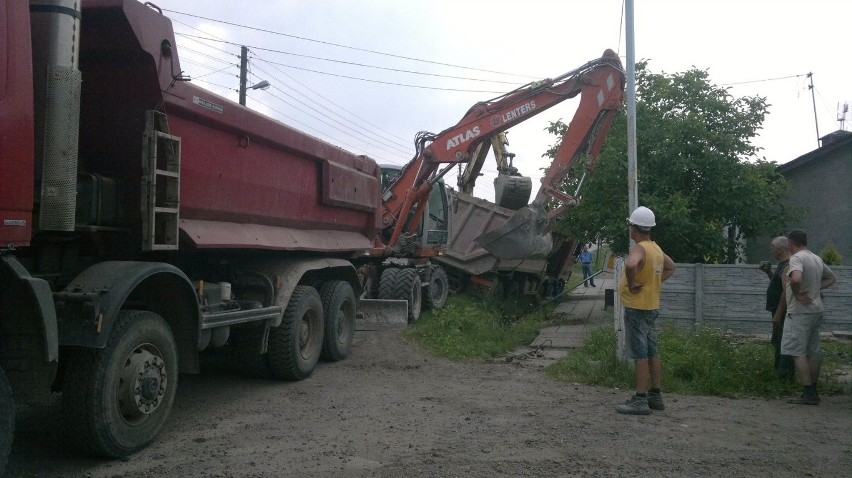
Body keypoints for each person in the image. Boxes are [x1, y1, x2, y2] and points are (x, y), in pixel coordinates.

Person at [615, 206, 676, 415]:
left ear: (634, 228)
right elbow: (671, 267)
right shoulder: (656, 248)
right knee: (652, 351)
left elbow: (631, 266)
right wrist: (653, 283)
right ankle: (655, 396)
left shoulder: (639, 249)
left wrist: (632, 285)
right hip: (651, 307)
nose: (630, 230)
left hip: (637, 308)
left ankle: (640, 399)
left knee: (639, 353)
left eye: (631, 226)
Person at [782, 229, 836, 405]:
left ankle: (808, 393)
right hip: (816, 309)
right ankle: (814, 389)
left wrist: (797, 294)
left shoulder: (797, 258)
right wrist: (815, 289)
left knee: (797, 352)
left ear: (791, 243)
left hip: (800, 311)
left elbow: (796, 279)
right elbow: (832, 278)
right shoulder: (816, 258)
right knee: (813, 351)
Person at [760, 236, 795, 379]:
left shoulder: (787, 265)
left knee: (782, 342)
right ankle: (780, 373)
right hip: (778, 309)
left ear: (780, 249)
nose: (771, 250)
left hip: (782, 311)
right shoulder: (782, 264)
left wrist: (778, 314)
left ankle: (784, 376)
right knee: (778, 341)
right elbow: (779, 284)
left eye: (772, 247)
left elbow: (786, 291)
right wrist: (768, 272)